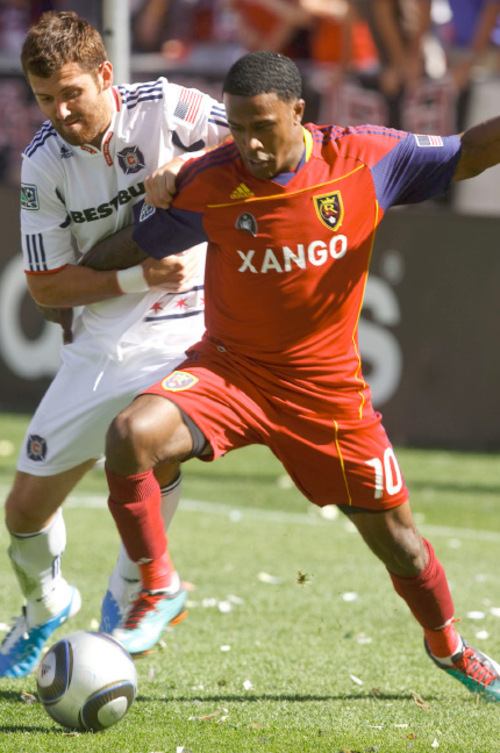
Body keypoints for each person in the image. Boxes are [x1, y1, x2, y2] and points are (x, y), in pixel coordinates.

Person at [101, 50, 500, 701]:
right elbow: (135, 243)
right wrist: (68, 270)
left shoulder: (369, 158)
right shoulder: (210, 179)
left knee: (400, 543)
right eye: (237, 128)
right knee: (130, 436)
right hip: (229, 374)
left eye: (263, 126)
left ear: (299, 112)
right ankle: (157, 582)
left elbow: (472, 151)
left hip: (327, 398)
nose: (250, 144)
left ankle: (449, 645)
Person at [0, 10, 228, 678]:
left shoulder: (171, 107)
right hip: (101, 341)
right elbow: (45, 288)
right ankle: (46, 606)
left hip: (187, 325)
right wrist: (135, 274)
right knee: (23, 512)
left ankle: (134, 593)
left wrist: (192, 163)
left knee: (149, 447)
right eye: (46, 98)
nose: (62, 110)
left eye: (72, 92)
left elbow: (263, 141)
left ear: (106, 74)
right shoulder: (43, 162)